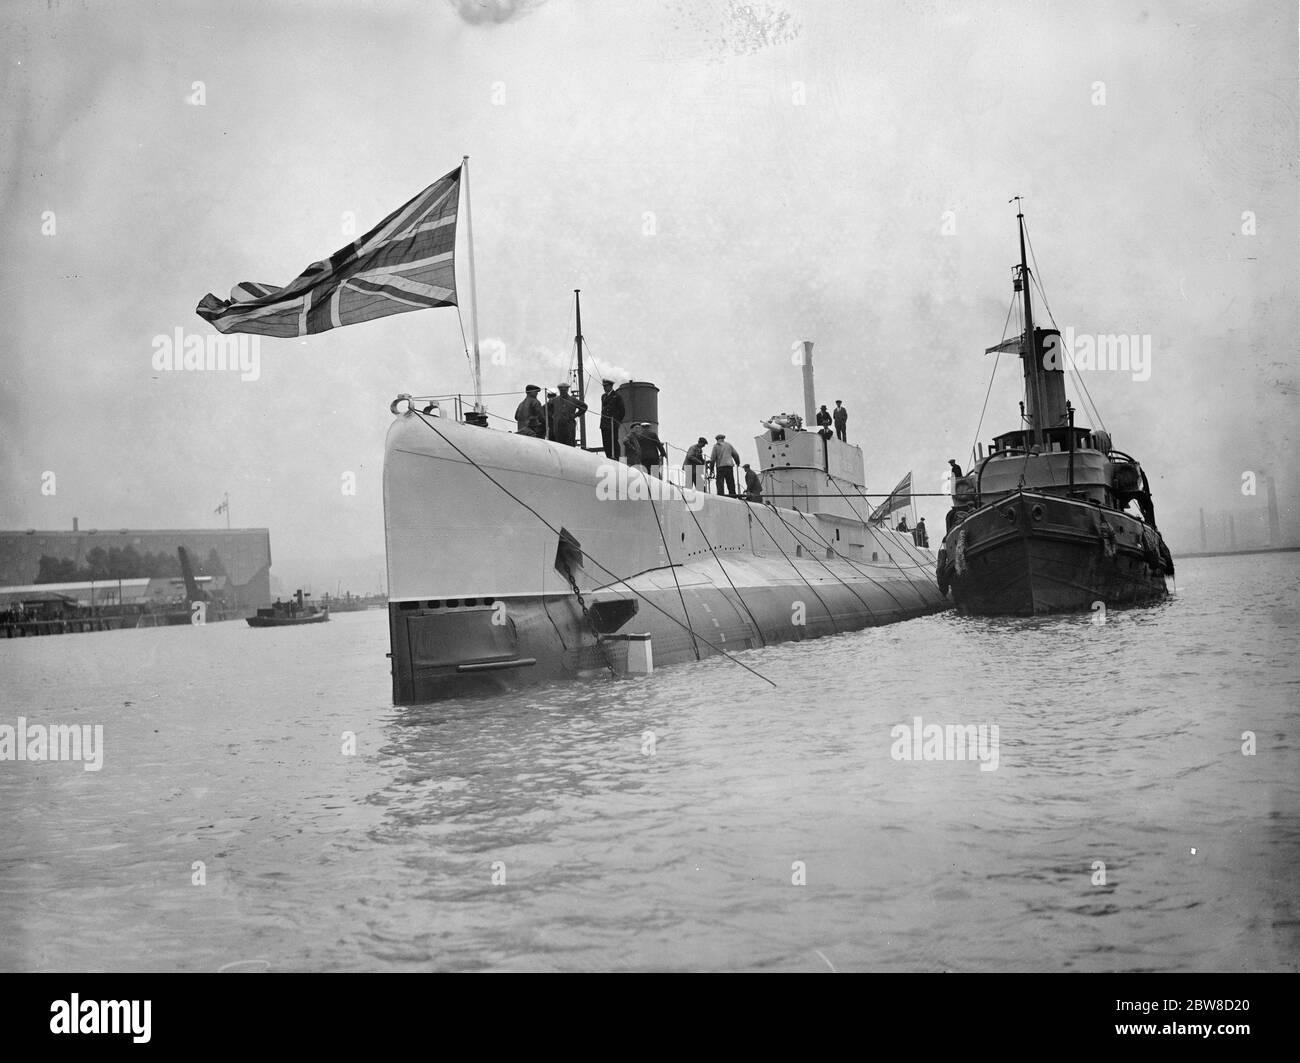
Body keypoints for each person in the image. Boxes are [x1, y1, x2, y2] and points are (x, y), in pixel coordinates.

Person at [546, 382, 587, 446]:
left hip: (569, 426)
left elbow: (584, 407)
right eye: (561, 390)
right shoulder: (555, 400)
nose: (562, 391)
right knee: (559, 445)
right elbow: (546, 408)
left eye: (564, 389)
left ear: (567, 390)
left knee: (570, 445)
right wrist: (553, 416)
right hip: (558, 427)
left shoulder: (573, 400)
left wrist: (575, 415)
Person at [599, 379, 624, 459]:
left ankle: (616, 458)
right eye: (603, 386)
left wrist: (617, 422)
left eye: (606, 386)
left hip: (612, 424)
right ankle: (609, 457)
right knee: (606, 443)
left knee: (613, 442)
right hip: (604, 424)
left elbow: (622, 411)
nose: (604, 388)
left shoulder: (617, 396)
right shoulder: (603, 397)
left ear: (610, 386)